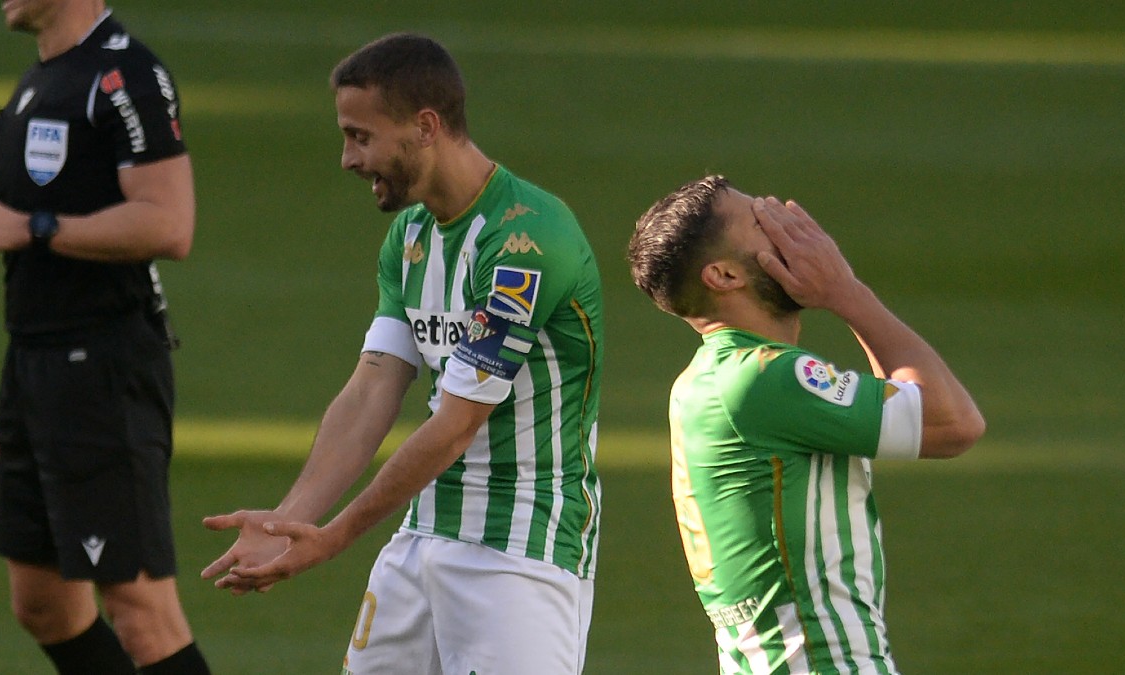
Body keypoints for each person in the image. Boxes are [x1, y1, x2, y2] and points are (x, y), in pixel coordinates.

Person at [201, 33, 605, 675]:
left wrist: (334, 538)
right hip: (423, 537)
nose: (346, 158)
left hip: (517, 554)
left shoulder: (525, 242)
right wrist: (289, 521)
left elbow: (454, 425)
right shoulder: (411, 236)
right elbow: (371, 390)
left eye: (361, 136)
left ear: (425, 127)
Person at [626, 175, 985, 674]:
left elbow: (910, 408)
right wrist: (845, 291)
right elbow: (952, 424)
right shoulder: (763, 377)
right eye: (762, 222)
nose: (791, 226)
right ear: (725, 276)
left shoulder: (705, 380)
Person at [0, 1, 209, 673]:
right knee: (42, 602)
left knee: (140, 610)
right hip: (39, 367)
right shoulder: (44, 77)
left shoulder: (125, 75)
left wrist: (33, 226)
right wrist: (20, 409)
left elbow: (170, 222)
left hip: (102, 364)